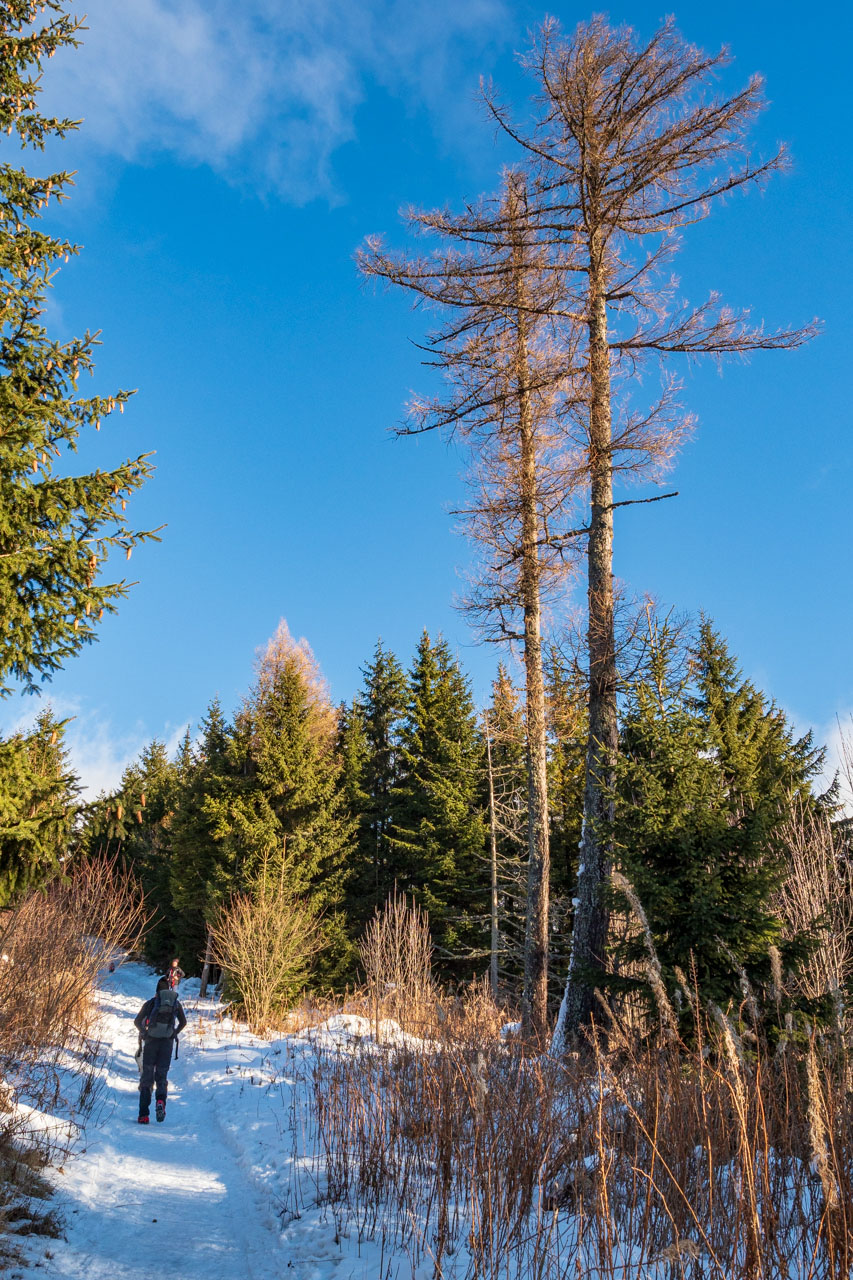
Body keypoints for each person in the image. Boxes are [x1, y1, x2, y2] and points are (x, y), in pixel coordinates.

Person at [134, 976, 186, 1124]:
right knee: (161, 1077)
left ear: (156, 991)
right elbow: (183, 1022)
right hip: (167, 1044)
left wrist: (144, 1032)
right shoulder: (175, 1004)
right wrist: (173, 1033)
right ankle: (160, 1102)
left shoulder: (151, 1003)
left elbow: (137, 1021)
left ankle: (144, 1115)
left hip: (151, 1042)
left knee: (147, 1077)